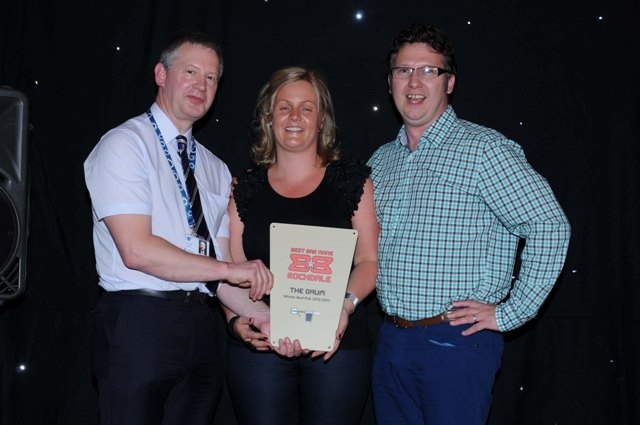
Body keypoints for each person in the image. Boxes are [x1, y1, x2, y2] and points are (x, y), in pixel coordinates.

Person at [368, 23, 571, 425]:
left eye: (429, 70)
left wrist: (510, 313)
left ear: (450, 82)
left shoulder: (483, 150)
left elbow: (550, 224)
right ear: (390, 80)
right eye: (404, 70)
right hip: (391, 339)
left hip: (456, 342)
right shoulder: (380, 161)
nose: (414, 82)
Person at [83, 32, 274, 425]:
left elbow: (218, 271)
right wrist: (229, 270)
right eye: (190, 71)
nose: (200, 85)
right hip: (138, 320)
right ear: (160, 74)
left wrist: (269, 320)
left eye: (211, 78)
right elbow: (136, 250)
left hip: (201, 327)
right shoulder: (124, 144)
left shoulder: (215, 168)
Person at [223, 66, 379, 425]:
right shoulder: (243, 187)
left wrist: (344, 309)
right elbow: (233, 265)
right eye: (284, 107)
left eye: (307, 108)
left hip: (336, 345)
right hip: (261, 343)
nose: (295, 117)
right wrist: (241, 322)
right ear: (269, 117)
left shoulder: (353, 181)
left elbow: (369, 260)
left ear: (321, 119)